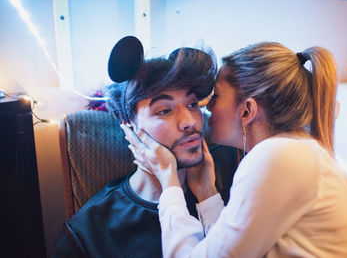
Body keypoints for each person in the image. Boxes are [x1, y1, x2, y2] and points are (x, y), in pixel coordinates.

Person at [123, 42, 347, 257]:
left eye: (215, 96)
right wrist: (207, 192)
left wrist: (170, 183)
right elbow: (235, 247)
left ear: (247, 110)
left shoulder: (277, 158)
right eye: (164, 110)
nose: (206, 111)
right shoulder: (295, 151)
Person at [51, 37, 239, 257]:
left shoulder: (234, 176)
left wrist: (208, 194)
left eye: (192, 104)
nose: (189, 120)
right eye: (164, 111)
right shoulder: (88, 233)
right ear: (129, 124)